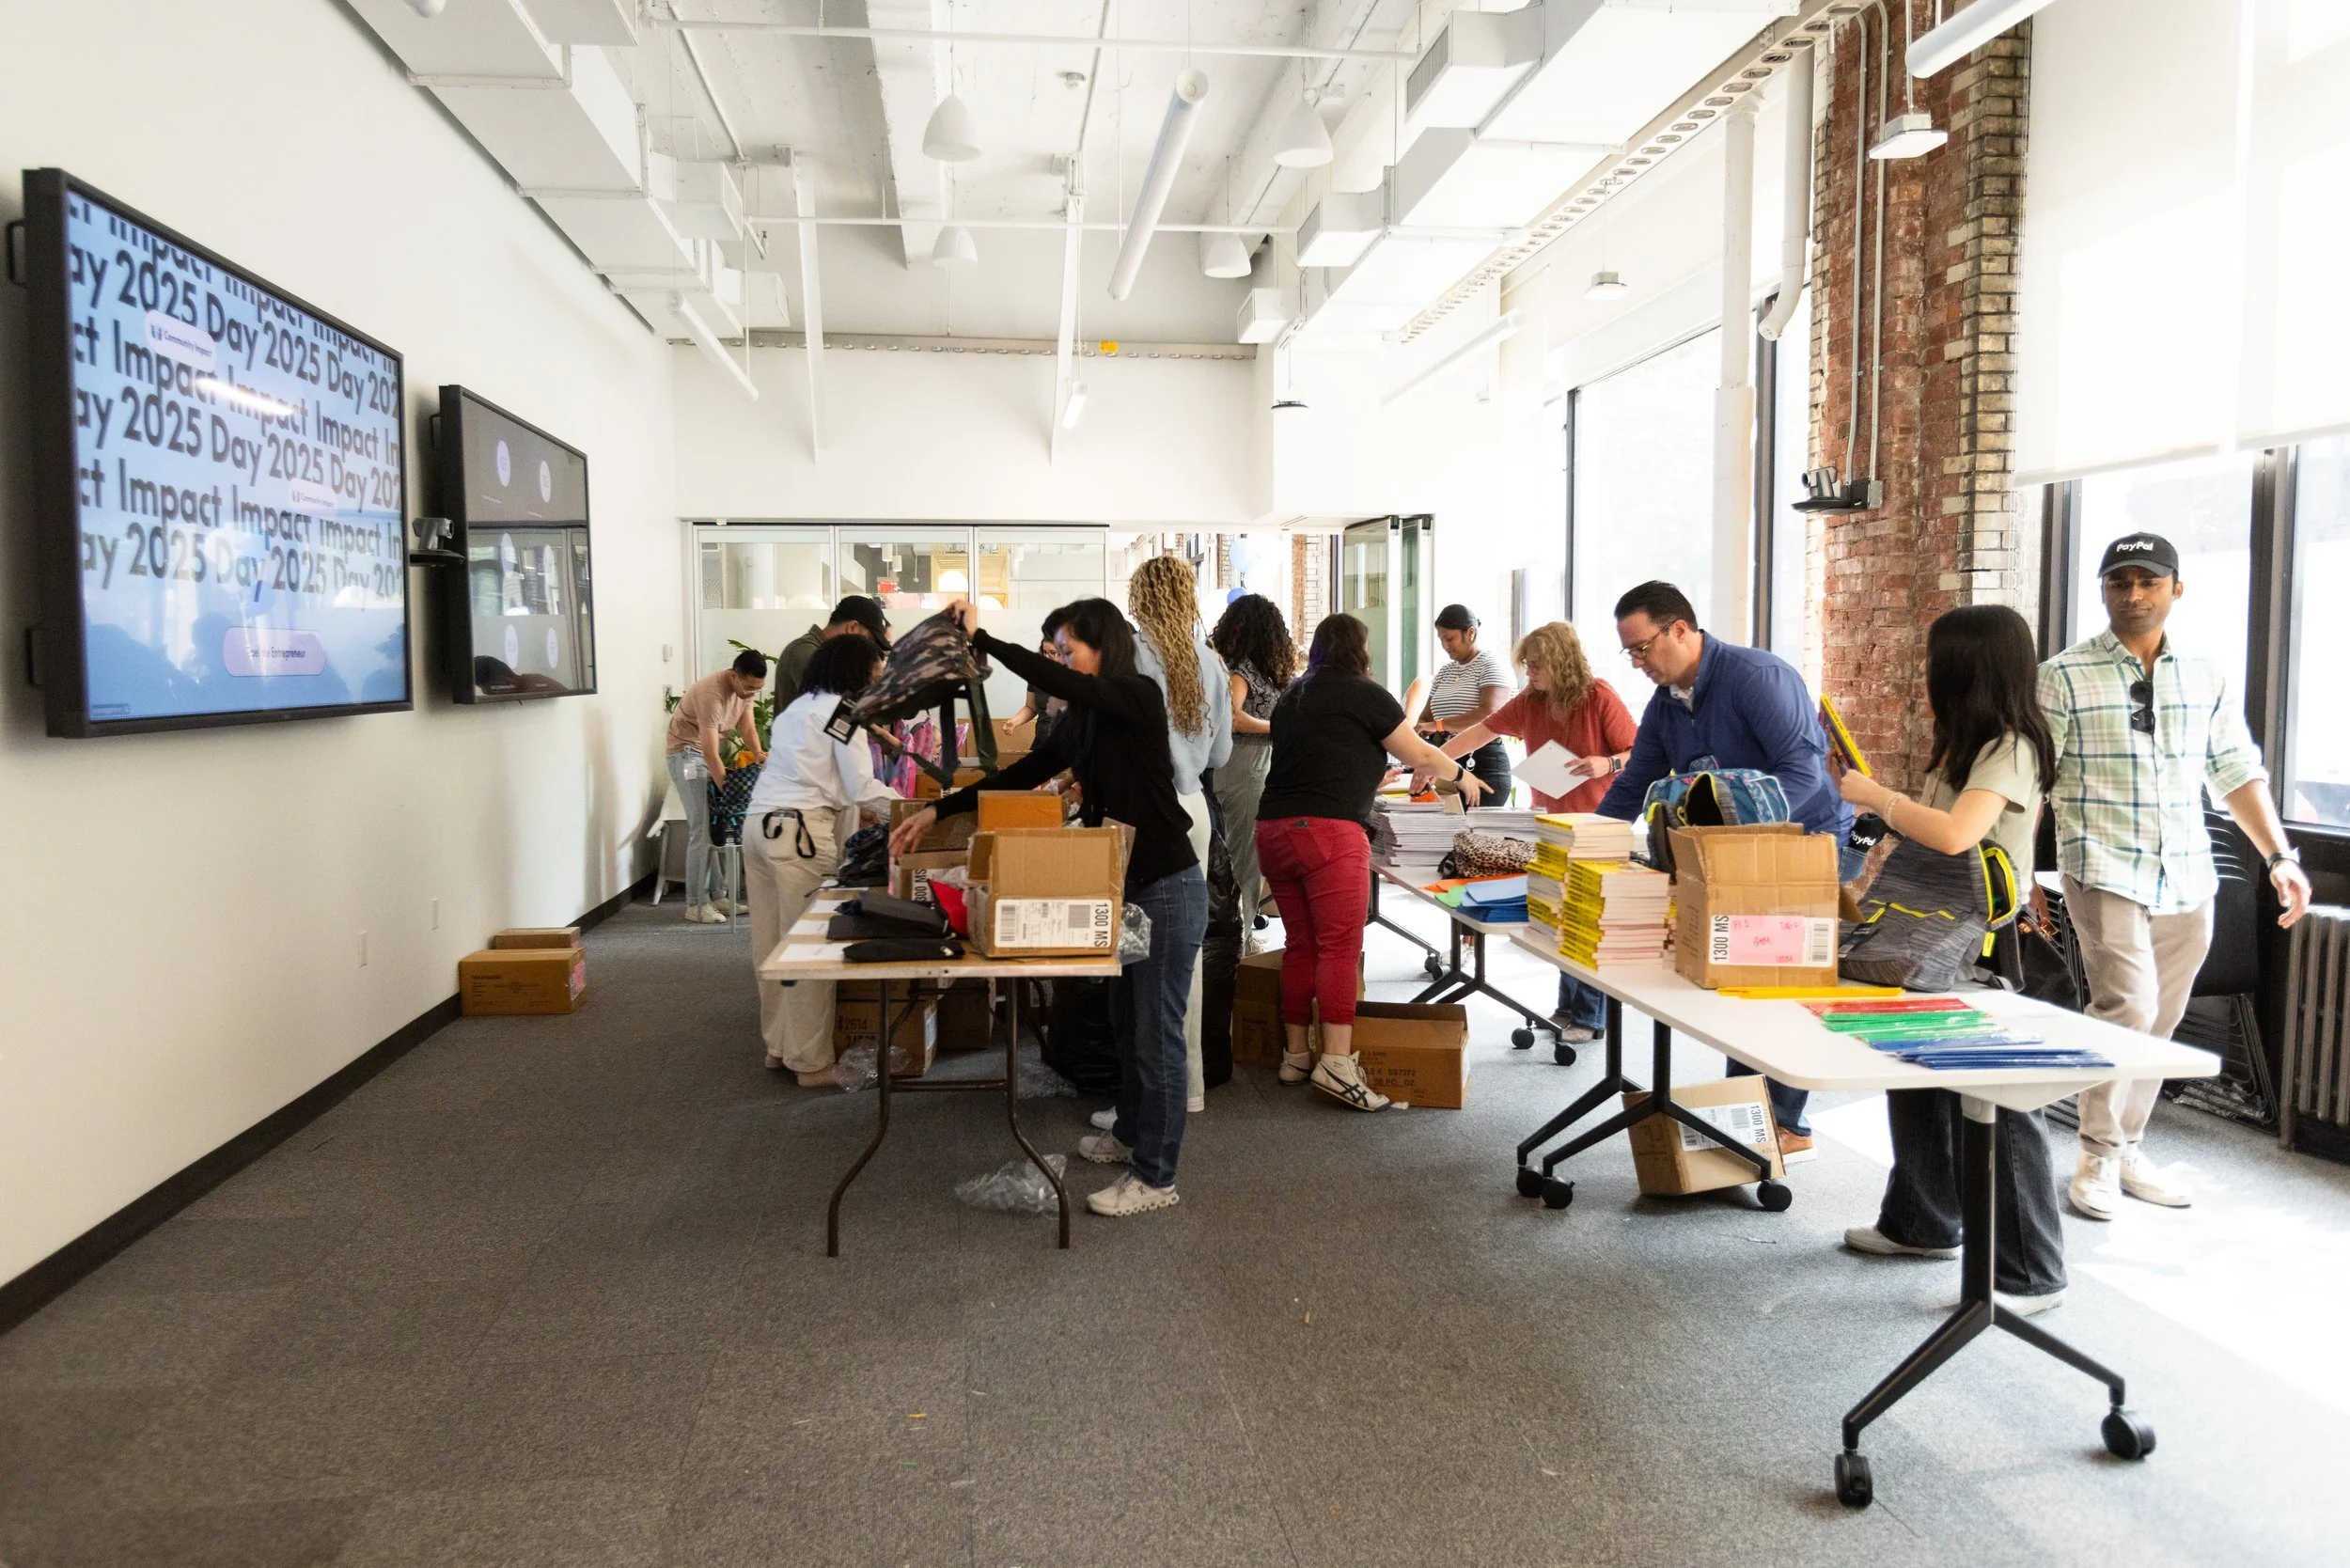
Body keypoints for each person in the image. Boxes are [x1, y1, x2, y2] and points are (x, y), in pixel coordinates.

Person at [888, 600, 1207, 1218]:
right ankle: (1131, 1137)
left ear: (1102, 646)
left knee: (1155, 1037)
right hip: (1129, 884)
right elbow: (1031, 767)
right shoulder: (1087, 719)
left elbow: (1063, 685)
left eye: (1066, 650)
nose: (1058, 663)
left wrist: (987, 641)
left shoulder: (1136, 694)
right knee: (1126, 1022)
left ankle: (1157, 1178)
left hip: (1168, 886)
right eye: (1054, 652)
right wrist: (940, 809)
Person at [2039, 532, 2312, 1219]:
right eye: (2118, 581)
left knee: (2160, 1019)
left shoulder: (2206, 673)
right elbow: (2038, 777)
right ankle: (2097, 1156)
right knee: (2126, 1006)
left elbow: (2236, 770)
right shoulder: (2062, 675)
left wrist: (2280, 856)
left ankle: (2127, 1145)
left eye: (2148, 581)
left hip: (2188, 873)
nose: (2133, 594)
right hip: (2103, 867)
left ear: (2175, 589)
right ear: (2103, 590)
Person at [1833, 605, 2069, 1314]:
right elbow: (1922, 842)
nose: (1925, 674)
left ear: (1967, 667)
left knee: (1997, 1101)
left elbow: (1959, 834)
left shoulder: (2014, 746)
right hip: (1930, 930)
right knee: (1915, 1075)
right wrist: (1864, 877)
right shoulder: (1963, 744)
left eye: (1936, 662)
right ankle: (1922, 1221)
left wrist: (1879, 797)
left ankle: (2030, 1273)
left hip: (1983, 945)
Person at [1595, 580, 1854, 1165]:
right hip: (1730, 851)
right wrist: (1586, 842)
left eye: (1642, 648)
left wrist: (1735, 831)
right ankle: (1751, 1106)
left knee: (1778, 982)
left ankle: (1785, 1122)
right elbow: (1636, 782)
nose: (1637, 662)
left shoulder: (1757, 678)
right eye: (1628, 652)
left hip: (1802, 841)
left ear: (1680, 630)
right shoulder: (1666, 702)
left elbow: (1805, 773)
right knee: (1742, 983)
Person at [1258, 614, 1489, 1111]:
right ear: (1359, 651)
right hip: (1329, 834)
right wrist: (1461, 777)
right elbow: (1420, 755)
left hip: (1274, 830)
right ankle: (1338, 1065)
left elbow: (1317, 758)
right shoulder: (1364, 693)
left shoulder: (1292, 696)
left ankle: (1295, 1055)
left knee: (1299, 945)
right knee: (1339, 948)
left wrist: (1364, 775)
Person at [1434, 620, 1638, 1043]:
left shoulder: (1599, 696)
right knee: (1558, 913)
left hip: (1598, 822)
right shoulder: (1530, 701)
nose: (1529, 673)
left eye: (1536, 665)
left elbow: (1639, 753)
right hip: (1550, 821)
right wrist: (1432, 762)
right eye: (1526, 665)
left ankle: (1588, 1016)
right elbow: (1480, 732)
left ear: (1561, 663)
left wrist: (1607, 764)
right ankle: (1569, 1008)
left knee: (1584, 917)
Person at [743, 635, 897, 1088]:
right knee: (810, 948)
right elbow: (861, 788)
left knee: (771, 945)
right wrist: (918, 809)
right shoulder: (843, 714)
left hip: (758, 825)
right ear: (856, 670)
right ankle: (810, 1064)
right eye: (875, 667)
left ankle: (779, 1047)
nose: (878, 676)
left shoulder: (796, 709)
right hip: (799, 835)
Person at [1128, 557, 1234, 1114]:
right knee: (1182, 961)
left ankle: (1147, 1097)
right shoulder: (1210, 662)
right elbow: (1220, 754)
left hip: (1146, 816)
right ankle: (1186, 1088)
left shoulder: (1134, 658)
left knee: (1136, 962)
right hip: (1192, 807)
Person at [1208, 593, 1298, 940]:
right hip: (1243, 761)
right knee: (1242, 858)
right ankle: (1239, 940)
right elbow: (1230, 718)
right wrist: (1276, 728)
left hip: (1257, 763)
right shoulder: (1240, 670)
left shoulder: (1259, 669)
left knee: (1248, 855)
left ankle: (1241, 931)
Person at [664, 650, 770, 923]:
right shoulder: (710, 693)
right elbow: (710, 753)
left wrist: (758, 753)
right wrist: (728, 791)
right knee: (702, 829)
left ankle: (718, 895)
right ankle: (696, 905)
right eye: (748, 687)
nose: (751, 694)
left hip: (705, 755)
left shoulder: (745, 690)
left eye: (757, 689)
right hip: (686, 755)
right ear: (733, 676)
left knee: (717, 827)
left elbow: (747, 729)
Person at [1416, 604, 1517, 801]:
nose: (1445, 646)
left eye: (1449, 638)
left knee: (1477, 831)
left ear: (1470, 633)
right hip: (1446, 763)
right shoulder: (1445, 672)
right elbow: (1425, 718)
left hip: (1482, 763)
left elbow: (1490, 714)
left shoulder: (1492, 665)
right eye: (1441, 640)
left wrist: (1438, 725)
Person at [772, 595, 890, 708]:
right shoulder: (805, 651)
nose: (869, 649)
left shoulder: (834, 657)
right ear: (852, 628)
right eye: (869, 640)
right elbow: (831, 705)